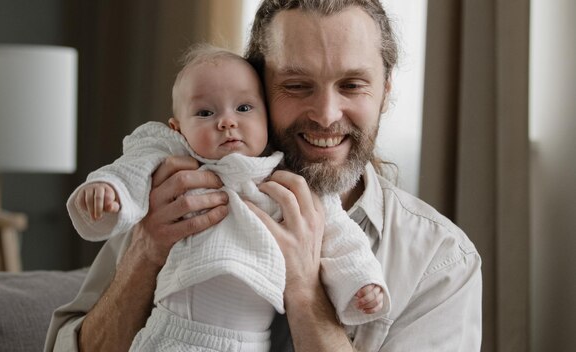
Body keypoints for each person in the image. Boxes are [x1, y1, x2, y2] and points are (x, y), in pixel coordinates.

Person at [45, 1, 482, 351]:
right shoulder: (169, 192)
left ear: (385, 93)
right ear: (257, 86)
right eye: (296, 85)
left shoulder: (440, 262)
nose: (327, 115)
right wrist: (145, 252)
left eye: (352, 85)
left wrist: (307, 293)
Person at [61, 44, 389, 351]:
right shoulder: (173, 167)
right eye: (204, 113)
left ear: (266, 118)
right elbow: (130, 170)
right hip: (174, 330)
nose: (227, 122)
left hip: (248, 342)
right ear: (177, 129)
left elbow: (343, 237)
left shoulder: (294, 185)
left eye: (244, 108)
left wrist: (362, 282)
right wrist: (107, 190)